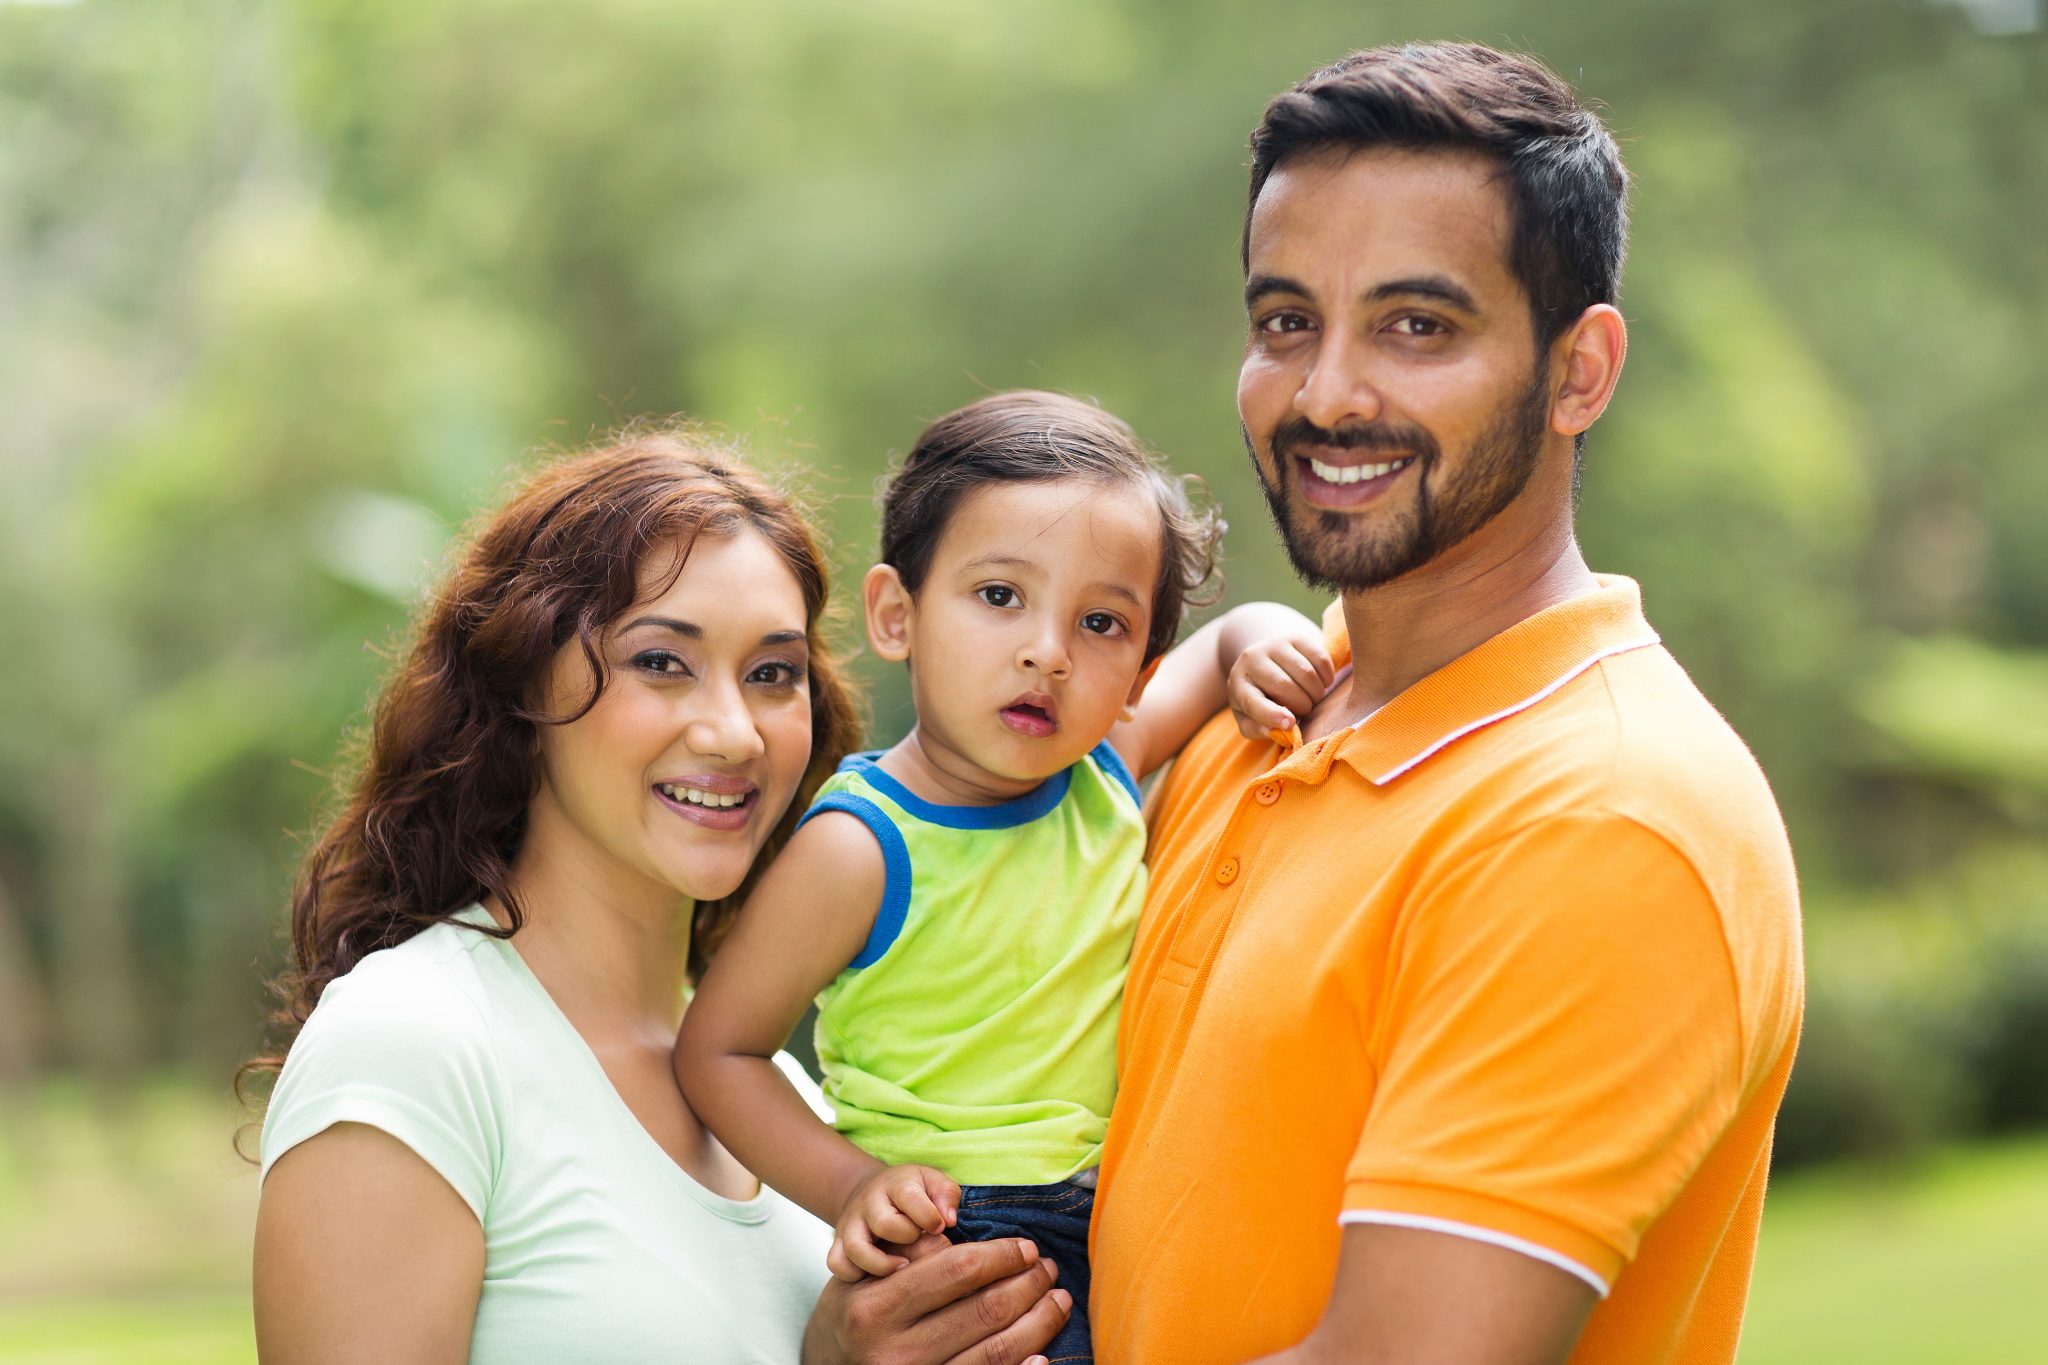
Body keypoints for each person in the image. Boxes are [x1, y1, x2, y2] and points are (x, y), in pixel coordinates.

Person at [1087, 42, 1805, 1365]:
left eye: (1418, 326)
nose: (1326, 394)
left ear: (1579, 372)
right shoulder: (1264, 710)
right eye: (1286, 321)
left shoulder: (1607, 817)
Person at [249, 430, 1074, 1363]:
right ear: (522, 683)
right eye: (661, 662)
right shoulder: (415, 1046)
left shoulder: (789, 1103)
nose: (733, 733)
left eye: (772, 674)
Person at [676, 390, 1326, 1365]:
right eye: (997, 597)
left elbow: (1229, 635)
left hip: (1132, 1207)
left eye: (1101, 623)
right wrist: (854, 1188)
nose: (1046, 652)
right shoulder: (860, 847)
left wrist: (1260, 636)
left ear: (1140, 675)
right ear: (896, 615)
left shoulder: (1106, 765)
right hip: (958, 1235)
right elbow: (718, 1055)